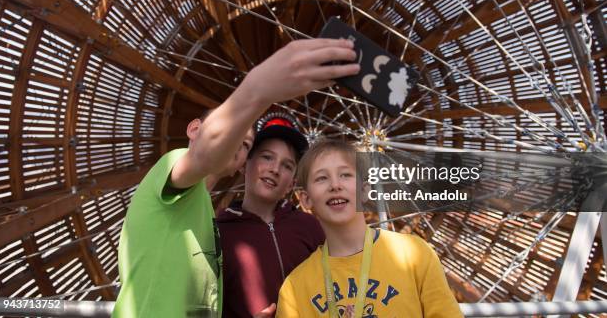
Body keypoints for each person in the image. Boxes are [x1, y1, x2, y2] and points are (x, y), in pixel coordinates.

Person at [111, 39, 360, 318]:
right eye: (263, 155)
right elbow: (206, 155)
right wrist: (258, 89)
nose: (234, 142)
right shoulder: (170, 168)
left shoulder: (208, 226)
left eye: (244, 144)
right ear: (195, 129)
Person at [276, 140, 463, 318]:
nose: (335, 185)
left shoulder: (414, 255)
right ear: (305, 199)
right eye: (322, 178)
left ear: (365, 190)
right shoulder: (295, 288)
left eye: (345, 175)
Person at [217, 112, 325, 317]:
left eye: (287, 165)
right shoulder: (218, 234)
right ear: (244, 165)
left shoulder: (310, 227)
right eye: (267, 157)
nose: (275, 169)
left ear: (292, 183)